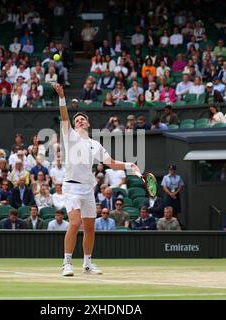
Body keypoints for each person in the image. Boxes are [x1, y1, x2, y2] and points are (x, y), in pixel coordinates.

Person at [53, 83, 140, 276]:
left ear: (88, 124)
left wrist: (130, 165)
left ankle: (87, 264)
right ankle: (67, 263)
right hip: (71, 188)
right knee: (75, 223)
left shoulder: (95, 145)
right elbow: (65, 115)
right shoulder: (70, 136)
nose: (80, 121)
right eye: (78, 120)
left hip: (87, 189)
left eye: (83, 119)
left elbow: (112, 163)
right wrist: (61, 97)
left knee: (90, 227)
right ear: (74, 125)